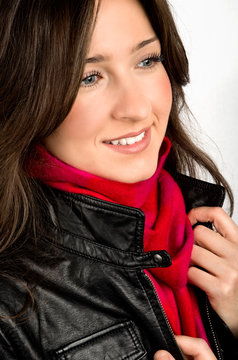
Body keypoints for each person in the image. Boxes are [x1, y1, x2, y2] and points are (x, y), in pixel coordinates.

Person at [0, 0, 237, 359]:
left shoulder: (205, 237)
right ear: (30, 95)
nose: (137, 108)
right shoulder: (9, 310)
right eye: (89, 77)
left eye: (147, 60)